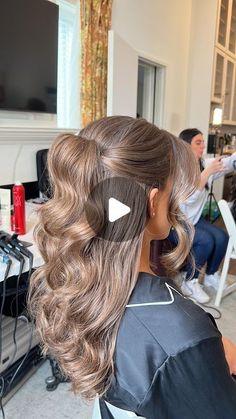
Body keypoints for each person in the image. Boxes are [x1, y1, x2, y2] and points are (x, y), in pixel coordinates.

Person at [28, 117, 236, 418]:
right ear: (154, 202)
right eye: (171, 189)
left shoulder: (78, 287)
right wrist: (211, 357)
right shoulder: (185, 337)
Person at [168, 128, 236, 304]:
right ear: (185, 146)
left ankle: (212, 274)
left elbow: (227, 163)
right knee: (206, 240)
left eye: (203, 142)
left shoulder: (204, 164)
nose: (203, 146)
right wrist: (207, 173)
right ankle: (188, 280)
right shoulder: (178, 170)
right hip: (176, 222)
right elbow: (188, 200)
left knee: (222, 237)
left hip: (194, 220)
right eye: (198, 143)